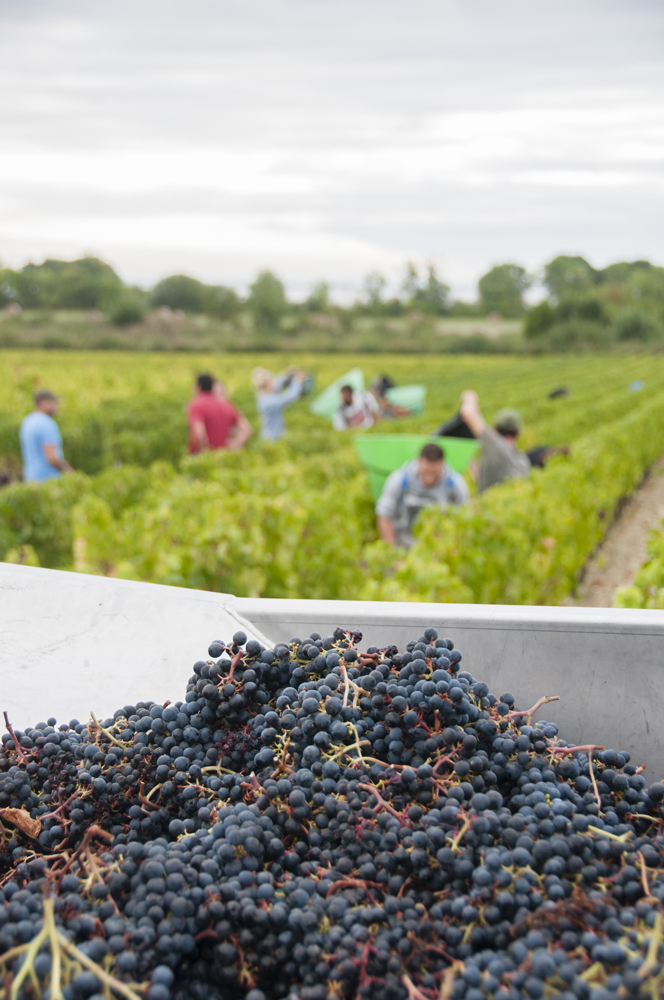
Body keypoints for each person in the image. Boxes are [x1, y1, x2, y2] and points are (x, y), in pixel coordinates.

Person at [376, 442, 469, 548]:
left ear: (442, 464)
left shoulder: (455, 484)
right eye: (426, 471)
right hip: (402, 545)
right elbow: (384, 516)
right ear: (419, 461)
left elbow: (464, 518)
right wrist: (392, 552)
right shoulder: (399, 480)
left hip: (439, 548)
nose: (429, 478)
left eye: (434, 472)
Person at [459, 390, 530, 493]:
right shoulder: (522, 460)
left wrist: (470, 396)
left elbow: (468, 413)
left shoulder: (495, 446)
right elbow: (481, 477)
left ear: (494, 429)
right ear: (518, 432)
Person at [187, 374, 253, 454]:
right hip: (222, 455)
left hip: (203, 455)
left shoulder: (196, 405)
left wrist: (205, 453)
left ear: (199, 387)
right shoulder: (226, 404)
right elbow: (247, 430)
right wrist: (232, 447)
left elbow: (200, 434)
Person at [19, 389, 72, 483]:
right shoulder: (47, 423)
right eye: (53, 403)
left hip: (31, 477)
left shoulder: (27, 421)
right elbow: (51, 458)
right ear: (43, 403)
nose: (56, 407)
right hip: (47, 480)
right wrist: (68, 470)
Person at [252, 366, 306, 441]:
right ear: (267, 385)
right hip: (271, 438)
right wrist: (297, 382)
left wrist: (287, 374)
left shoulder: (264, 395)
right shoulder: (268, 402)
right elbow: (288, 397)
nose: (275, 383)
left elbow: (278, 384)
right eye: (272, 382)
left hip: (270, 435)